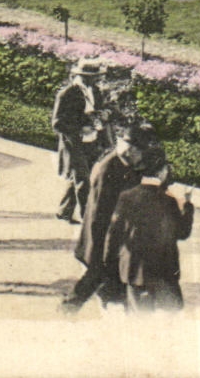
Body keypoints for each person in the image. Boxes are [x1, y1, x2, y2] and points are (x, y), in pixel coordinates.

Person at [63, 125, 147, 312]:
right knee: (96, 278)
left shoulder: (126, 165)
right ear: (120, 142)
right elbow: (98, 214)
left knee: (105, 282)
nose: (132, 151)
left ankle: (75, 309)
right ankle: (67, 311)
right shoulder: (108, 169)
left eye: (136, 148)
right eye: (128, 145)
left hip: (113, 240)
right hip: (102, 241)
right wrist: (100, 249)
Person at [105, 145, 194, 312]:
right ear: (161, 172)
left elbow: (113, 238)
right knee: (170, 318)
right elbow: (183, 232)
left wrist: (110, 274)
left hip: (134, 271)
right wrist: (188, 205)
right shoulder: (168, 201)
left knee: (139, 322)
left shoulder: (125, 197)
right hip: (163, 272)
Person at [52, 59, 105, 223]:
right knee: (83, 180)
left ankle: (64, 211)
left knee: (80, 177)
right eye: (92, 76)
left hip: (91, 141)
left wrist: (102, 116)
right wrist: (80, 129)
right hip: (73, 143)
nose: (95, 79)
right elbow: (57, 123)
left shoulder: (94, 91)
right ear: (82, 76)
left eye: (96, 76)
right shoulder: (67, 93)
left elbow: (98, 110)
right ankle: (88, 217)